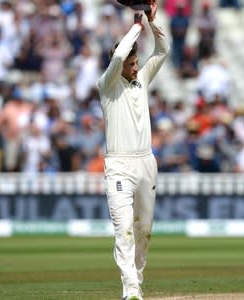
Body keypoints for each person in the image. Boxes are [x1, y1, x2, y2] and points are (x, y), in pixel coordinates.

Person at [96, 2, 169, 300]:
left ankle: (137, 280)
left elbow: (162, 51)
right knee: (124, 229)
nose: (136, 67)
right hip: (119, 166)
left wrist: (151, 23)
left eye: (137, 62)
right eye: (132, 63)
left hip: (146, 162)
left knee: (144, 231)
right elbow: (117, 57)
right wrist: (136, 27)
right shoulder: (107, 85)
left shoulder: (142, 80)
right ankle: (131, 290)